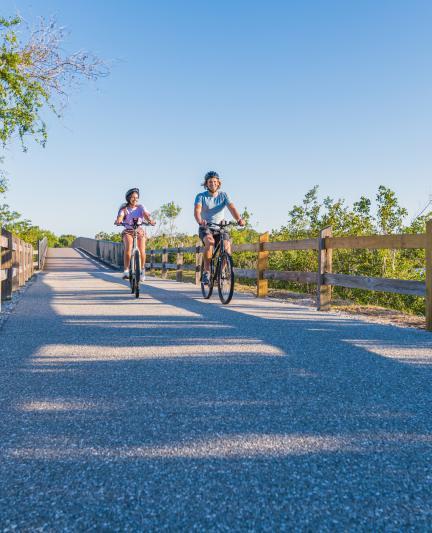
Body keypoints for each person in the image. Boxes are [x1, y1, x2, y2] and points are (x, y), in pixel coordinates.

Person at [194, 171, 245, 284]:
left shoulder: (223, 195)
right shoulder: (201, 196)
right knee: (210, 242)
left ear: (218, 183)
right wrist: (200, 221)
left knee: (227, 248)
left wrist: (239, 219)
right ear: (206, 184)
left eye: (215, 182)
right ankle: (206, 272)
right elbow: (197, 211)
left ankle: (221, 272)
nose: (213, 183)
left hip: (220, 227)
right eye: (210, 182)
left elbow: (232, 208)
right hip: (206, 227)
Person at [115, 188, 155, 279]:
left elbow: (146, 214)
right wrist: (118, 221)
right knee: (128, 247)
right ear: (128, 198)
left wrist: (150, 220)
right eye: (133, 197)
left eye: (137, 198)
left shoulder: (141, 207)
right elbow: (120, 217)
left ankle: (142, 270)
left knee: (142, 250)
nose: (135, 199)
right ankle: (126, 271)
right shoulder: (124, 209)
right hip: (128, 231)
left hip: (139, 231)